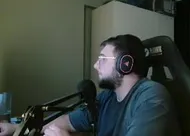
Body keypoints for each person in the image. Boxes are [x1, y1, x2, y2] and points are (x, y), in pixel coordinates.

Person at [40, 34, 179, 136]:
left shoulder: (152, 97)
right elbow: (68, 121)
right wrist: (34, 129)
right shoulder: (107, 97)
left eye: (102, 59)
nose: (95, 65)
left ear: (125, 64)